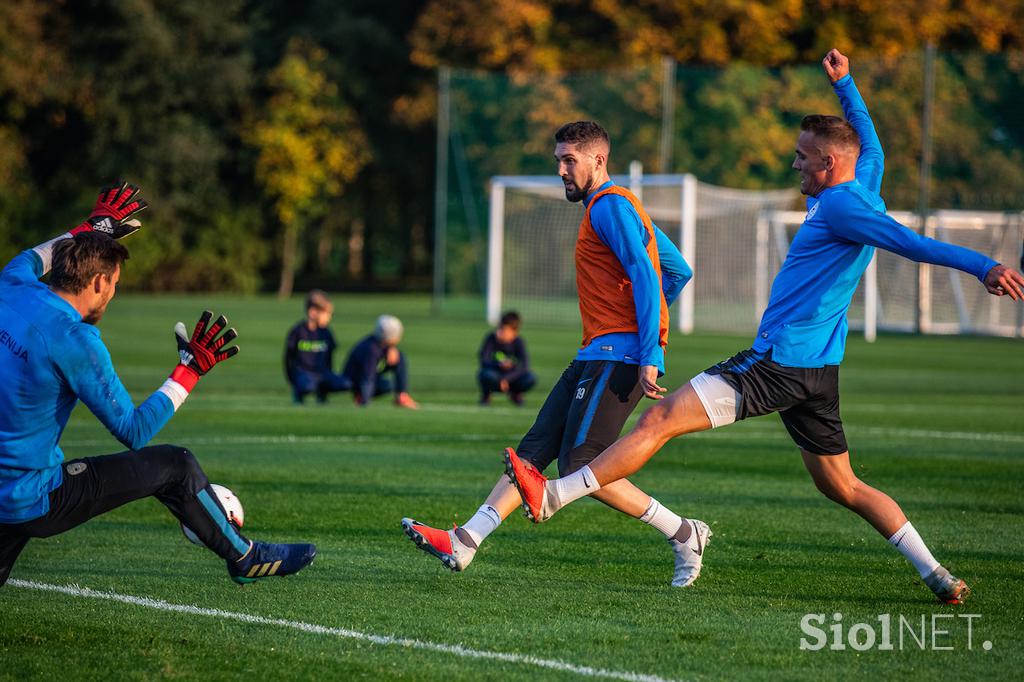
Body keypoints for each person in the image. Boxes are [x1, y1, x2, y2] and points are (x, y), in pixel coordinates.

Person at [503, 50, 1024, 604]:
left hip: (778, 361)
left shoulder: (847, 207)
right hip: (818, 373)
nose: (794, 165)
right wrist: (845, 84)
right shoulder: (860, 180)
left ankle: (556, 494)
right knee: (841, 485)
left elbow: (912, 243)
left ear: (827, 164)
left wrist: (984, 266)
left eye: (802, 158)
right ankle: (936, 574)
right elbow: (871, 143)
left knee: (658, 417)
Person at [403, 121, 702, 586]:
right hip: (596, 352)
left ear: (598, 160)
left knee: (582, 463)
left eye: (570, 161)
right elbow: (677, 271)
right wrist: (639, 321)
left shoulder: (609, 206)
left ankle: (684, 533)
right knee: (532, 452)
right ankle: (466, 539)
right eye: (558, 160)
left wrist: (647, 347)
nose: (561, 170)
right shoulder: (613, 208)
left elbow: (647, 274)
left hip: (618, 356)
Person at [0, 182, 316, 587]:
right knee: (175, 465)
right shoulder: (74, 340)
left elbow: (36, 257)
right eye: (114, 283)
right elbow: (133, 431)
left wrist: (92, 228)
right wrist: (190, 369)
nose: (112, 294)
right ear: (98, 282)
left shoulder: (11, 286)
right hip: (28, 497)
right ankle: (246, 556)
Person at [284, 289, 352, 404]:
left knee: (346, 384)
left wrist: (328, 374)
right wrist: (292, 379)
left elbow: (330, 356)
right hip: (304, 374)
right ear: (313, 312)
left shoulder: (326, 332)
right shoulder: (298, 332)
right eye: (326, 314)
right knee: (307, 386)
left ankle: (322, 393)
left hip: (322, 373)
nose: (329, 318)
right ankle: (299, 394)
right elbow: (288, 358)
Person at [341, 314, 419, 409]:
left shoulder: (383, 346)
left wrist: (391, 348)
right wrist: (365, 399)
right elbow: (367, 377)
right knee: (377, 384)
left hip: (370, 377)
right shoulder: (371, 349)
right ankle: (361, 396)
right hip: (355, 380)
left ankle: (402, 396)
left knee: (399, 359)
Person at [477, 310, 536, 406]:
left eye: (504, 329)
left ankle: (516, 393)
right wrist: (498, 364)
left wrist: (506, 379)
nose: (499, 332)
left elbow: (525, 366)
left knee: (530, 378)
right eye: (499, 328)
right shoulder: (491, 339)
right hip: (495, 374)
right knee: (486, 375)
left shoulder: (519, 342)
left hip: (512, 377)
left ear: (514, 331)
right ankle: (487, 394)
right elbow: (483, 359)